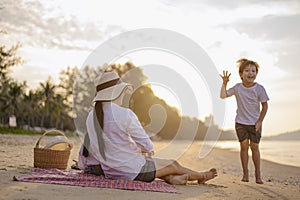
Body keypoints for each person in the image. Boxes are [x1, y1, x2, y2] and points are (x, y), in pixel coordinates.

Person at [77, 71, 217, 185]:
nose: (124, 95)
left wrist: (132, 149)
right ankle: (202, 175)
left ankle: (173, 179)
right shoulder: (125, 114)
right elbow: (148, 146)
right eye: (123, 92)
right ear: (116, 92)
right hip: (131, 170)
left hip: (111, 171)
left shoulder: (91, 117)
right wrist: (139, 149)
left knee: (163, 167)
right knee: (173, 164)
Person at [220, 58, 269, 184]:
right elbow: (223, 95)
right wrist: (224, 83)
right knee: (243, 147)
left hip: (255, 123)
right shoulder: (237, 88)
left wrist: (260, 121)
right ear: (241, 74)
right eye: (247, 70)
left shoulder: (259, 89)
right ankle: (245, 173)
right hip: (241, 122)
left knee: (255, 147)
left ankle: (258, 174)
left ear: (256, 74)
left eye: (253, 71)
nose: (250, 73)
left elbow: (265, 106)